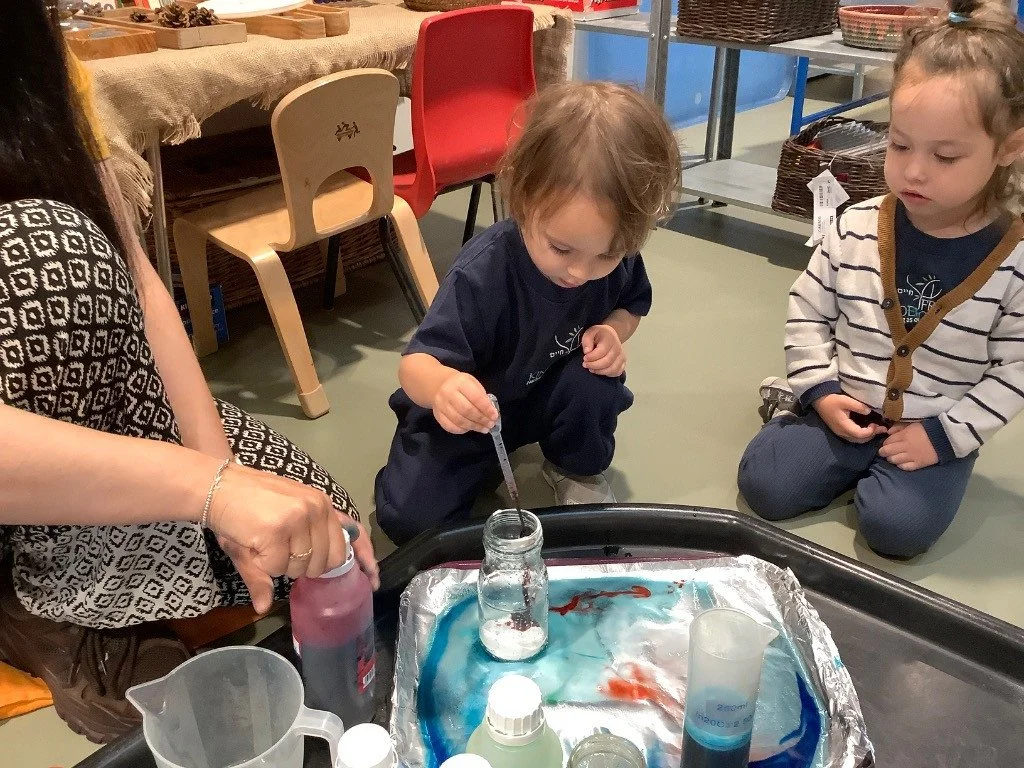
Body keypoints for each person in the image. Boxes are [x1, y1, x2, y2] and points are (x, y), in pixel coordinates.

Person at [0, 2, 377, 742]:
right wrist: (206, 489)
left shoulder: (34, 47)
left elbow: (138, 275)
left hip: (84, 407)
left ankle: (104, 559)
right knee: (46, 257)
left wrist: (220, 471)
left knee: (323, 530)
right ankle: (36, 595)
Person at [737, 0, 1024, 558]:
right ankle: (791, 401)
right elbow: (808, 308)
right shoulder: (858, 223)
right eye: (898, 144)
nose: (913, 170)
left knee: (897, 531)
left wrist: (944, 437)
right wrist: (819, 391)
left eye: (945, 156)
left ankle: (901, 466)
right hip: (844, 404)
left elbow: (1016, 370)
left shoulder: (1015, 260)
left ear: (1009, 149)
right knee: (765, 486)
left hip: (932, 429)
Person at [374, 81, 681, 545]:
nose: (581, 272)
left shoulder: (615, 254)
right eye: (561, 248)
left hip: (541, 396)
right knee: (408, 521)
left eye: (608, 255)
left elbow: (631, 305)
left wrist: (613, 332)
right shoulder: (485, 271)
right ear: (522, 201)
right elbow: (414, 365)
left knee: (594, 382)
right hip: (469, 413)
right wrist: (443, 389)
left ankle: (572, 467)